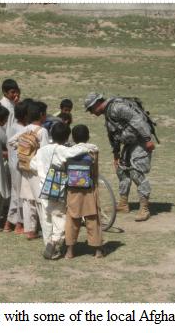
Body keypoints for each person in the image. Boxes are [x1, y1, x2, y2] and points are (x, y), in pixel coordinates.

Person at [84, 92, 155, 221]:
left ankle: (144, 208)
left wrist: (147, 139)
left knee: (136, 173)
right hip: (129, 144)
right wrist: (116, 154)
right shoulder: (108, 113)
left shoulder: (117, 107)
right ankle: (123, 204)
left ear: (97, 103)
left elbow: (137, 120)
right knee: (122, 171)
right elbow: (113, 134)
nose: (91, 112)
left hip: (140, 142)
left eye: (90, 109)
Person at [30, 122, 97, 259]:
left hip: (43, 189)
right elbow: (75, 151)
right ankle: (54, 244)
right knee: (60, 218)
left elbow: (32, 164)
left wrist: (42, 173)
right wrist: (90, 147)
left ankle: (48, 244)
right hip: (57, 190)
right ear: (67, 137)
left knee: (47, 219)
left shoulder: (42, 150)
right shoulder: (60, 150)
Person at [8, 102, 49, 240]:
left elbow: (11, 141)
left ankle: (29, 230)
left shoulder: (26, 129)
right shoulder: (42, 131)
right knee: (40, 201)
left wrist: (23, 152)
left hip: (25, 168)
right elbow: (44, 152)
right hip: (37, 171)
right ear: (42, 115)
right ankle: (45, 229)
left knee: (27, 200)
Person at [64, 125, 103, 259]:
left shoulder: (68, 151)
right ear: (87, 137)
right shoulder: (92, 151)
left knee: (72, 220)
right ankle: (97, 250)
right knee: (93, 219)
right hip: (89, 190)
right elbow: (95, 172)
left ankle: (69, 251)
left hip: (72, 190)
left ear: (73, 138)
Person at [3, 100, 29, 233]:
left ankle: (9, 223)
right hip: (19, 165)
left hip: (13, 164)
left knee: (15, 193)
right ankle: (18, 223)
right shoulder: (22, 130)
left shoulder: (12, 126)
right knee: (20, 195)